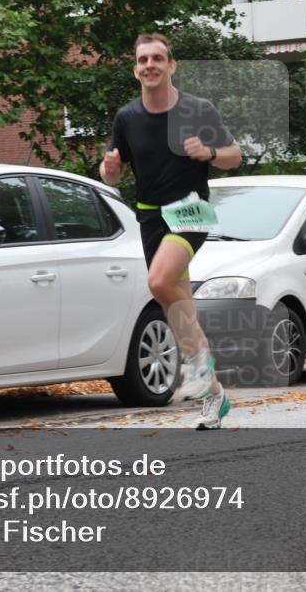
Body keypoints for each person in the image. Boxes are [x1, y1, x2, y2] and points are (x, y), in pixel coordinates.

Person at [100, 33, 242, 430]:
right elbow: (112, 168)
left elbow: (235, 156)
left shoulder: (198, 110)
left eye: (157, 58)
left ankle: (197, 366)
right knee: (178, 303)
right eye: (143, 59)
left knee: (159, 281)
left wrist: (209, 153)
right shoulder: (127, 117)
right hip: (149, 216)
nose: (150, 65)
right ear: (135, 69)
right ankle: (214, 396)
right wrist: (109, 171)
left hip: (190, 210)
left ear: (171, 65)